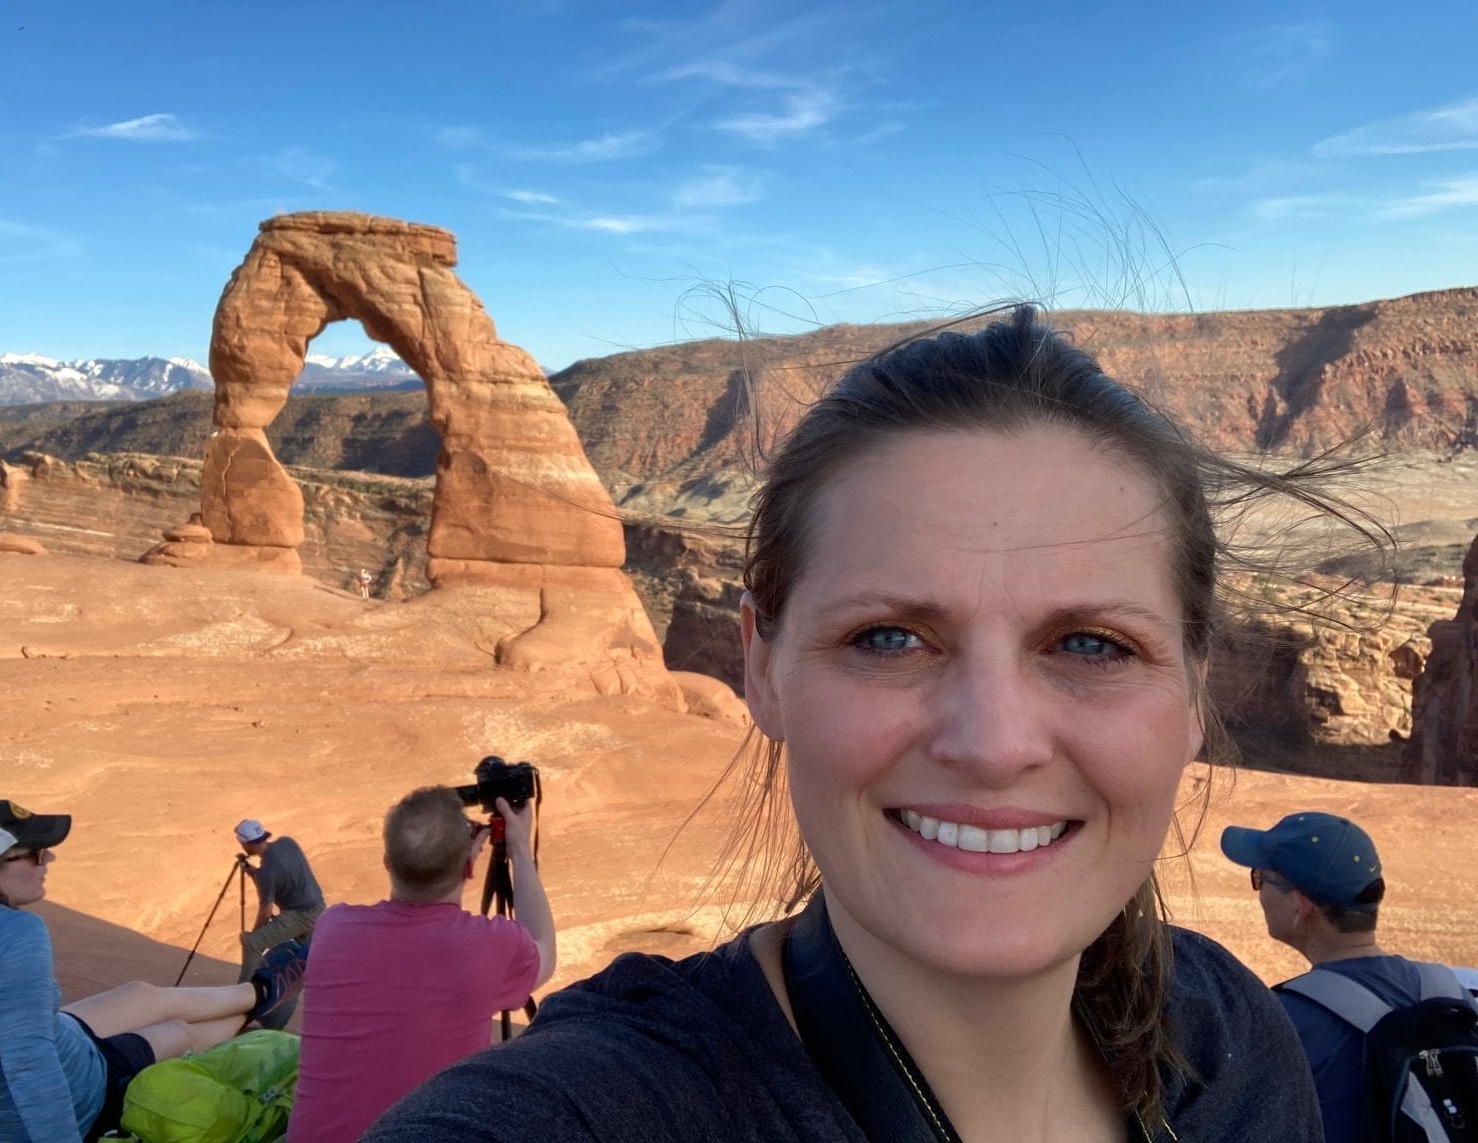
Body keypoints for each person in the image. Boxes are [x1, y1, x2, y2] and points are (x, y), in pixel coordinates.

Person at [367, 306, 1344, 1141]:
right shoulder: (587, 1107)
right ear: (760, 664)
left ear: (1192, 689)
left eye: (1089, 644)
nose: (993, 741)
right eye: (887, 637)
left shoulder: (1234, 1058)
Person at [0, 799, 306, 1142]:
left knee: (140, 994)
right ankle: (256, 1007)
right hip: (73, 1098)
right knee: (177, 1033)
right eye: (34, 854)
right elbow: (28, 1062)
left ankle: (259, 992)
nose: (49, 860)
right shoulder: (13, 933)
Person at [287, 787, 555, 1141]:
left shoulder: (332, 927)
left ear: (387, 862)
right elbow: (545, 954)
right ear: (470, 865)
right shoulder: (489, 945)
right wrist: (519, 847)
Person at [1221, 811, 1475, 1142]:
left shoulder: (1285, 1023)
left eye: (1260, 879)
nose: (1259, 893)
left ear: (1301, 906)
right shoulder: (1454, 993)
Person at [234, 818, 326, 982]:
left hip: (301, 916)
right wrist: (254, 873)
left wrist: (253, 934)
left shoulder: (267, 872)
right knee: (312, 958)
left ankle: (242, 992)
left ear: (246, 844)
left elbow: (266, 911)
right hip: (318, 907)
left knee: (253, 944)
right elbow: (278, 877)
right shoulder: (288, 843)